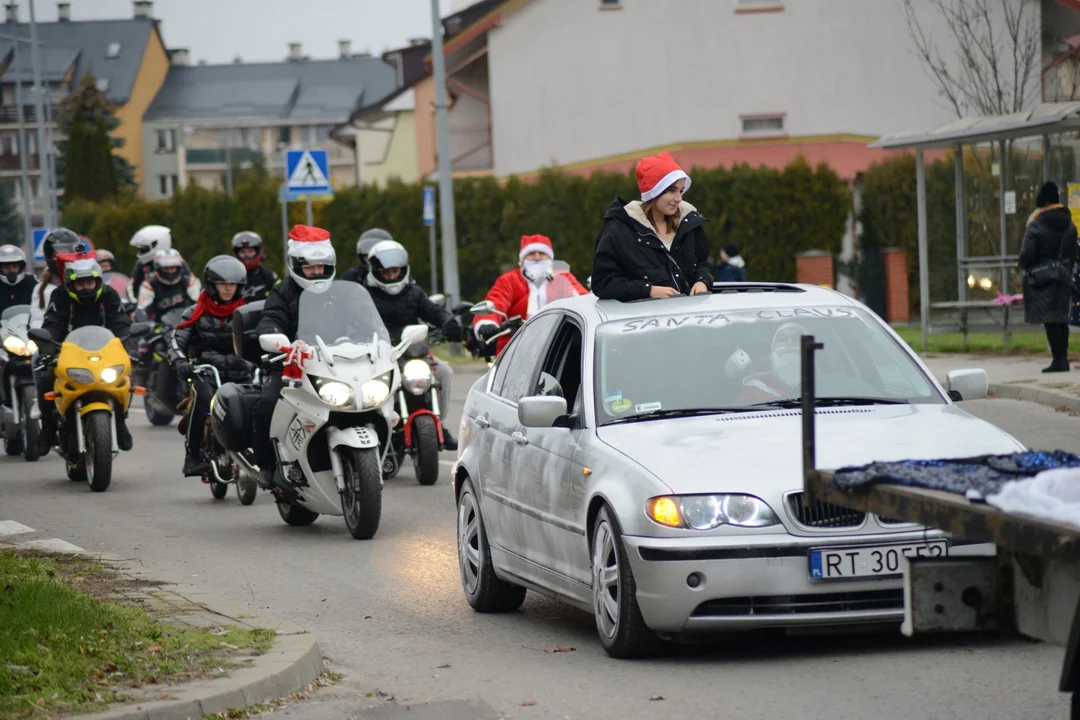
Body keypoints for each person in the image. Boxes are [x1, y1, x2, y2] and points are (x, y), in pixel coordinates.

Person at [252, 225, 337, 490]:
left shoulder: (340, 290)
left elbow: (362, 318)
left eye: (322, 266)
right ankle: (266, 464)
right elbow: (270, 320)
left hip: (335, 365)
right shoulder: (282, 293)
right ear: (295, 264)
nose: (317, 272)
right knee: (267, 402)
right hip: (292, 366)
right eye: (310, 266)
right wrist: (277, 338)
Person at [364, 239, 462, 449]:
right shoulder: (366, 295)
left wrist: (449, 322)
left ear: (403, 270)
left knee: (444, 371)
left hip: (413, 352)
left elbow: (433, 311)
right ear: (375, 271)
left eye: (395, 271)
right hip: (380, 355)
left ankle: (439, 423)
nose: (391, 276)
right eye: (386, 272)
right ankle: (372, 427)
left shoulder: (414, 293)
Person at [37, 253, 134, 456]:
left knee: (125, 378)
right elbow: (53, 324)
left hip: (106, 353)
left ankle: (120, 422)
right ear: (70, 284)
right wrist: (47, 348)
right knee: (46, 378)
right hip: (68, 353)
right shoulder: (60, 296)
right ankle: (47, 429)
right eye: (80, 284)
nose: (86, 288)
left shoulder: (109, 295)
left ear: (98, 281)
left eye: (90, 282)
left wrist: (131, 348)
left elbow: (122, 324)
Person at [169, 255, 251, 477]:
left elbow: (263, 339)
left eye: (232, 284)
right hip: (206, 373)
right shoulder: (194, 313)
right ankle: (192, 456)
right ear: (212, 285)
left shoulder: (248, 313)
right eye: (222, 284)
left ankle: (268, 457)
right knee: (203, 397)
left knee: (262, 404)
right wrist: (180, 361)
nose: (227, 289)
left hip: (242, 374)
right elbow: (177, 341)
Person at [592, 151, 713, 301]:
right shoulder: (619, 230)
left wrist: (702, 281)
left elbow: (703, 264)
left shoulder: (689, 223)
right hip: (641, 321)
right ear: (654, 192)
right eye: (671, 190)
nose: (678, 198)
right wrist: (648, 290)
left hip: (690, 318)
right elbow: (602, 282)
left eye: (681, 191)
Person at [472, 234, 587, 356]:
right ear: (522, 260)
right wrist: (486, 323)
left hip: (557, 346)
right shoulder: (509, 280)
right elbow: (496, 302)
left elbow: (582, 300)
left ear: (550, 258)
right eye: (531, 254)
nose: (537, 258)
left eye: (542, 253)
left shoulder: (563, 278)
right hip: (515, 348)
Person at [1019, 182, 1078, 373]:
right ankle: (1063, 359)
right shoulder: (1070, 223)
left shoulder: (1037, 224)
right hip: (1064, 273)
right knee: (1061, 317)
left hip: (1044, 275)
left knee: (1050, 319)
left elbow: (1027, 252)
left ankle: (1058, 360)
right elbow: (1072, 251)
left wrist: (1026, 265)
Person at [30, 228, 88, 329]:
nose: (63, 258)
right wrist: (44, 337)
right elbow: (38, 320)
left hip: (86, 338)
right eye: (57, 255)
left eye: (68, 253)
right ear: (49, 256)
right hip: (57, 340)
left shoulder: (89, 281)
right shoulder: (43, 289)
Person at [737, 322, 807, 403]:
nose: (789, 344)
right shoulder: (756, 387)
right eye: (782, 340)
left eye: (796, 339)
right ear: (774, 348)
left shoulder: (820, 380)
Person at [135, 248, 201, 322]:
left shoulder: (188, 281)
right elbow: (142, 311)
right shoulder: (149, 285)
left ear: (178, 268)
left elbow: (200, 304)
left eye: (172, 268)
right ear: (158, 268)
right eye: (166, 268)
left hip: (185, 323)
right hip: (159, 327)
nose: (170, 272)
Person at [127, 225, 173, 304]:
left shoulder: (175, 259)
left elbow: (189, 281)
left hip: (175, 305)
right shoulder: (141, 264)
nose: (142, 251)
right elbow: (133, 285)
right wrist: (135, 303)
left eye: (145, 249)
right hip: (150, 306)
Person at [231, 231, 279, 300]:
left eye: (250, 251)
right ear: (236, 254)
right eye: (242, 252)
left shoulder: (270, 276)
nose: (246, 255)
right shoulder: (230, 277)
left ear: (259, 252)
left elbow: (280, 297)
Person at [0, 244, 35, 313]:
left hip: (29, 323)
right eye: (6, 267)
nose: (11, 270)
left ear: (21, 267)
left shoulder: (33, 282)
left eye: (14, 266)